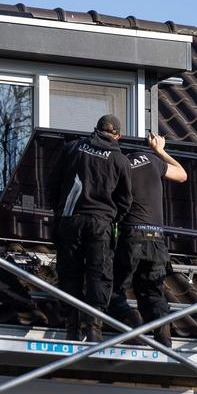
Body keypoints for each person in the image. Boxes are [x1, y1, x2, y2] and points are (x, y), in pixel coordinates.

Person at [54, 114, 132, 343]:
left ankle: (71, 328)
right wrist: (112, 218)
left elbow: (53, 183)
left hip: (71, 220)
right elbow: (125, 200)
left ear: (95, 129)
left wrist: (59, 215)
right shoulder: (120, 161)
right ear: (117, 136)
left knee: (70, 272)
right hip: (101, 224)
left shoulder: (71, 149)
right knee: (99, 274)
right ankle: (94, 329)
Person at [107, 131, 188, 347]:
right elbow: (182, 175)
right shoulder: (153, 160)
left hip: (131, 236)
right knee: (152, 290)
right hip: (156, 239)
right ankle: (163, 337)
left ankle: (132, 322)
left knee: (113, 288)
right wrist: (160, 151)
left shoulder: (118, 165)